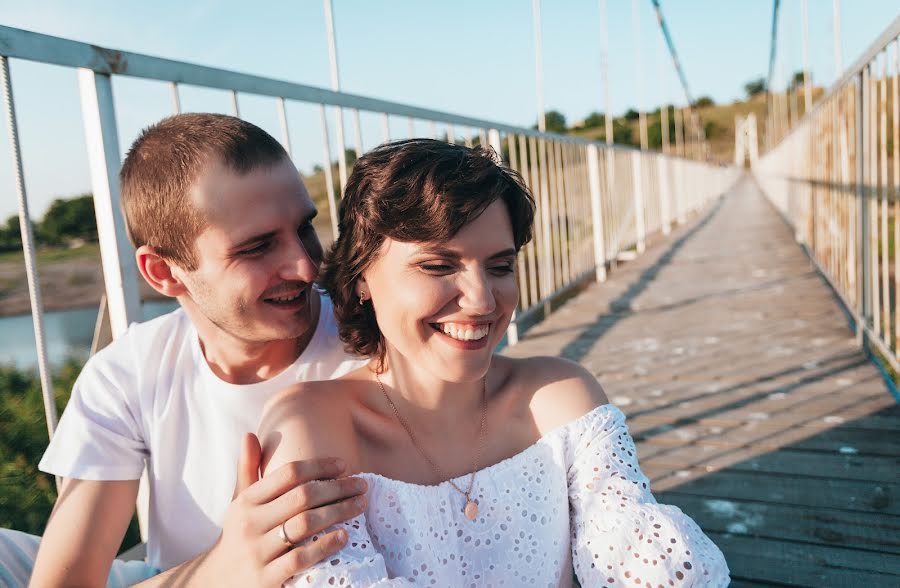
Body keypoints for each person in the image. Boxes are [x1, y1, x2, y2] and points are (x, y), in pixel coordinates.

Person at [259, 139, 730, 586]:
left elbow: (636, 560)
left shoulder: (561, 397)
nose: (482, 300)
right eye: (438, 266)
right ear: (362, 276)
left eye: (500, 266)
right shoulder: (310, 425)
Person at [11, 113, 370, 587]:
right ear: (163, 272)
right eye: (258, 246)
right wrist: (227, 565)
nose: (305, 266)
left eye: (305, 227)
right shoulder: (127, 373)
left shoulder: (370, 341)